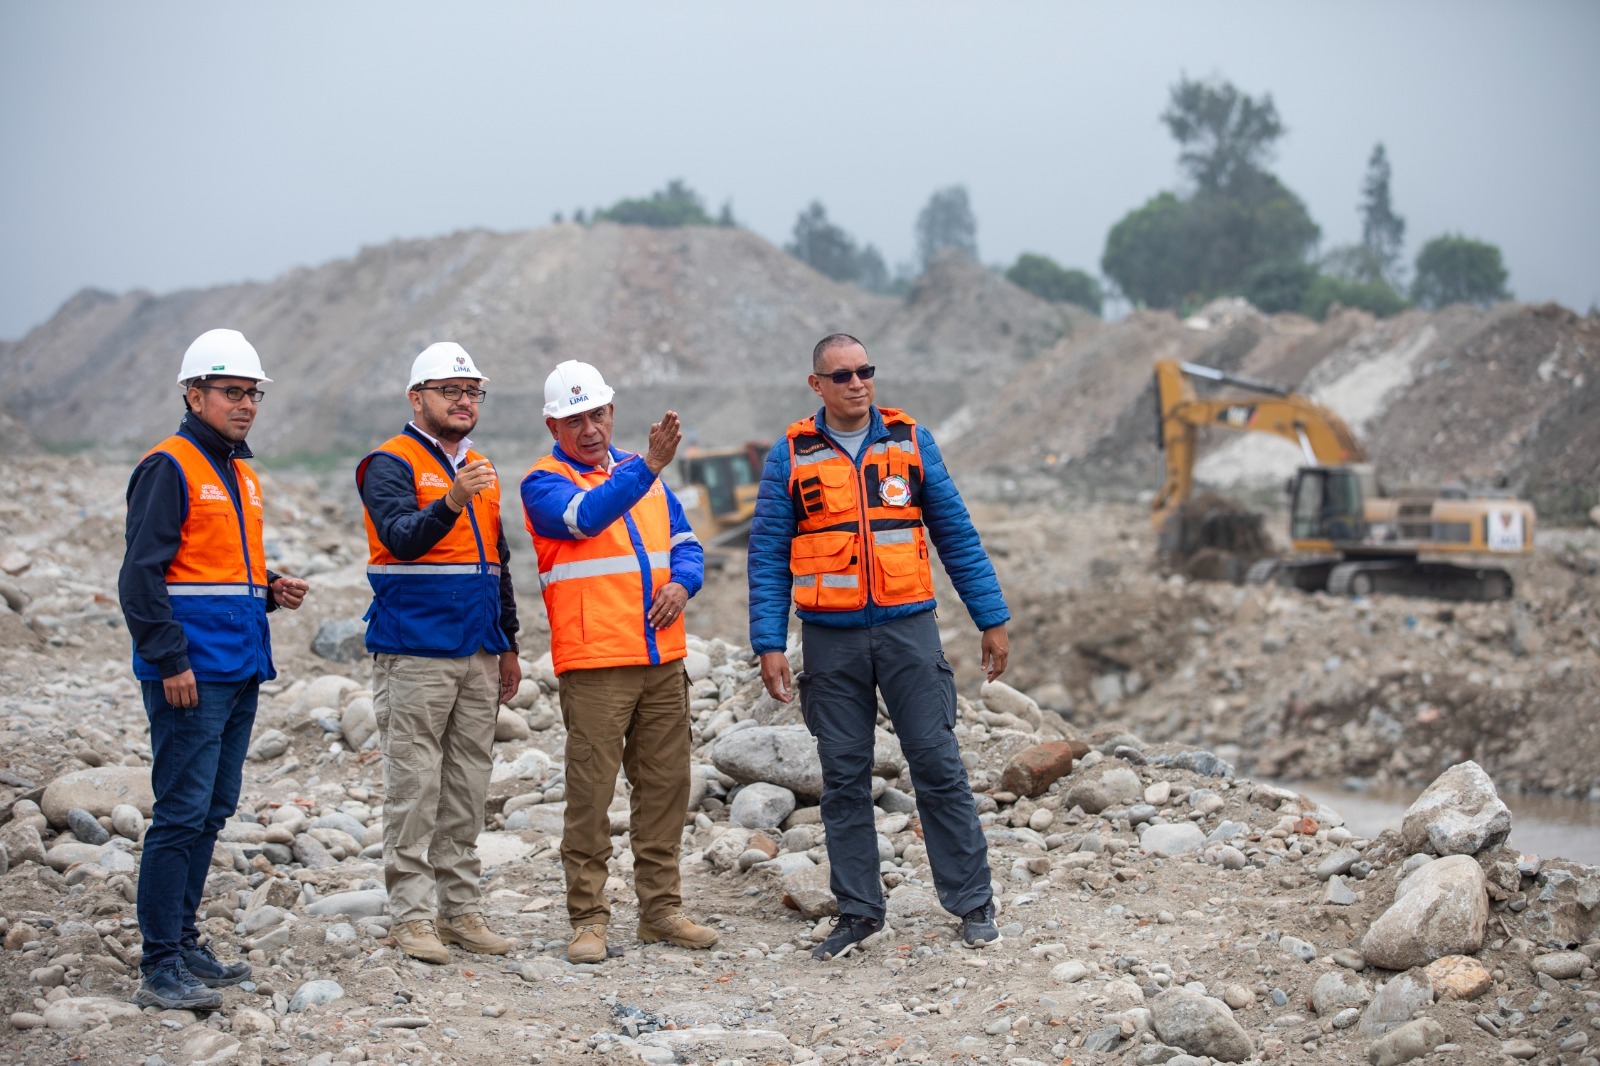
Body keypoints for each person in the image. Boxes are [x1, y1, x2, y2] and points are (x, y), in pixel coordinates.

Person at [747, 332, 1011, 960]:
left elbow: (956, 533)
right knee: (843, 778)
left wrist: (990, 616)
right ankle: (861, 913)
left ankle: (973, 902)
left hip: (908, 633)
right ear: (817, 386)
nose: (858, 383)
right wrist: (768, 642)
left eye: (865, 370)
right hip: (830, 643)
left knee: (938, 764)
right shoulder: (790, 455)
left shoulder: (910, 442)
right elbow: (767, 556)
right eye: (842, 375)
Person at [119, 329, 309, 1010]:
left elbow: (207, 574)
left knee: (211, 811)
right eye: (232, 391)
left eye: (252, 393)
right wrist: (169, 660)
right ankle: (159, 964)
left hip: (237, 667)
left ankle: (185, 940)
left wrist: (269, 589)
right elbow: (140, 578)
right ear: (194, 393)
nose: (246, 404)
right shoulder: (169, 465)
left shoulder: (238, 472)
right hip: (190, 674)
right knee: (179, 813)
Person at [520, 359, 719, 964]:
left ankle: (661, 911)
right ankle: (588, 919)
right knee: (590, 794)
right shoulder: (543, 483)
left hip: (662, 657)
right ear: (553, 425)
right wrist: (650, 466)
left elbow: (686, 543)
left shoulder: (643, 474)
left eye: (598, 414)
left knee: (664, 789)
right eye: (574, 419)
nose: (590, 429)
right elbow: (586, 519)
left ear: (612, 412)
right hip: (597, 660)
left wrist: (684, 585)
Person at [357, 342, 522, 964]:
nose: (463, 401)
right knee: (414, 785)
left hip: (478, 648)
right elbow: (401, 539)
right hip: (416, 650)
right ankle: (410, 917)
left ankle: (460, 910)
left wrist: (507, 642)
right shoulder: (388, 463)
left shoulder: (480, 466)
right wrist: (451, 499)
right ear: (416, 397)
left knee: (466, 786)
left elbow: (496, 562)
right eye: (450, 390)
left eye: (472, 391)